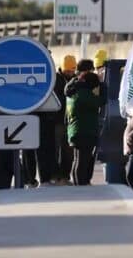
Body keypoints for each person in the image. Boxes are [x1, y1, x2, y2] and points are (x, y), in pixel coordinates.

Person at [66, 71, 105, 185]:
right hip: (85, 131)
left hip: (75, 130)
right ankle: (81, 186)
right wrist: (103, 88)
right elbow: (100, 101)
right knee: (83, 161)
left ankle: (78, 184)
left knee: (77, 159)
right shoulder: (83, 93)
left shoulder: (73, 91)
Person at [54, 55, 77, 185]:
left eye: (72, 71)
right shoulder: (56, 80)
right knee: (56, 149)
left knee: (68, 151)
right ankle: (56, 176)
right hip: (58, 121)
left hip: (70, 121)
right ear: (62, 69)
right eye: (67, 71)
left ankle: (65, 176)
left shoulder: (75, 80)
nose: (70, 73)